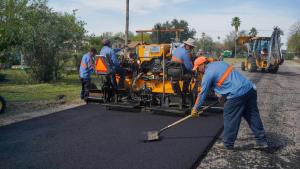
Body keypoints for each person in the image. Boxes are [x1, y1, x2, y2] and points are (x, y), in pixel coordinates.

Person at [191, 57, 268, 150]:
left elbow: (202, 94)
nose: (198, 71)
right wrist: (223, 96)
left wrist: (196, 108)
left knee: (230, 116)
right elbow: (228, 80)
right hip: (250, 89)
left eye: (197, 68)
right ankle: (262, 141)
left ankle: (227, 143)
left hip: (237, 94)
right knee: (252, 115)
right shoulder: (221, 63)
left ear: (202, 65)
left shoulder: (208, 74)